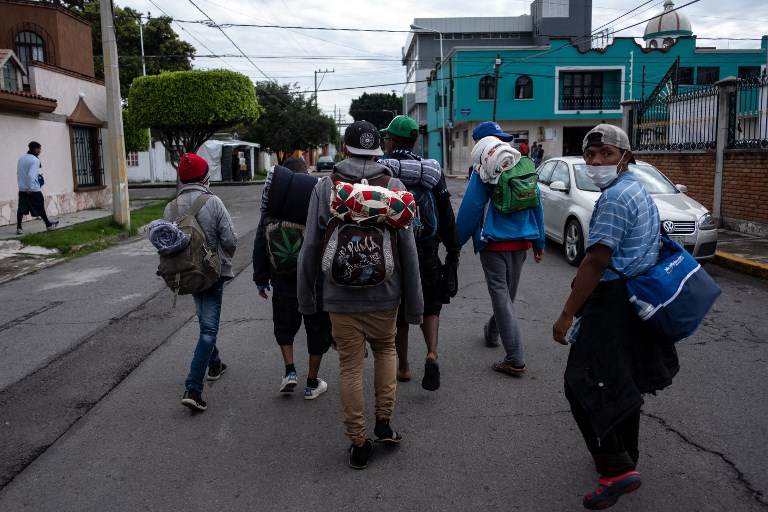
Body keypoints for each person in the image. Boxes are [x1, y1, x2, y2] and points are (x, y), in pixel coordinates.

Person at [552, 125, 679, 510]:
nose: (595, 162)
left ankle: (616, 470)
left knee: (582, 384)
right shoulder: (637, 189)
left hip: (612, 302)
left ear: (625, 156)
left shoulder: (614, 199)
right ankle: (628, 456)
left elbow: (594, 261)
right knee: (622, 383)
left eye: (605, 154)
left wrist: (566, 315)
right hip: (634, 298)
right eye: (590, 155)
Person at [297, 120, 423, 470]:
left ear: (345, 148)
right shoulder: (395, 186)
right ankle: (384, 422)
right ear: (379, 149)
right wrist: (415, 304)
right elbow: (408, 251)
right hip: (386, 295)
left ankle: (357, 442)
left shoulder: (326, 187)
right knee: (385, 350)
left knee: (350, 366)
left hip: (339, 297)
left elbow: (310, 247)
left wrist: (307, 299)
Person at [379, 115, 460, 390]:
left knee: (399, 311)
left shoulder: (383, 170)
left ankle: (403, 367)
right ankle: (432, 352)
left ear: (391, 140)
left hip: (396, 251)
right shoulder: (432, 172)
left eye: (386, 138)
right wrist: (453, 250)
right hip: (428, 249)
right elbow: (446, 214)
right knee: (431, 304)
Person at [456, 135, 545, 376]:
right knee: (507, 297)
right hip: (521, 241)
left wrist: (455, 245)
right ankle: (493, 332)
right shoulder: (522, 164)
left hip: (493, 242)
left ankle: (515, 358)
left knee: (502, 297)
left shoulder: (484, 169)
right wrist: (539, 241)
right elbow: (536, 204)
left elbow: (471, 209)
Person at [253, 157, 331, 399]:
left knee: (284, 326)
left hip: (283, 279)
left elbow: (261, 239)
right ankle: (311, 383)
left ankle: (289, 371)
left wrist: (260, 278)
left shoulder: (275, 198)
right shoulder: (318, 192)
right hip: (315, 279)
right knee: (317, 329)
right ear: (304, 172)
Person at [166, 153, 238, 412]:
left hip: (185, 274)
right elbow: (229, 238)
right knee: (208, 329)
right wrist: (223, 260)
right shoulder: (213, 202)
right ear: (206, 178)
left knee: (204, 317)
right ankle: (193, 388)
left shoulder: (170, 207)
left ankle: (215, 364)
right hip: (210, 273)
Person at [16, 141, 58, 235]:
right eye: (39, 149)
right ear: (35, 149)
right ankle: (48, 225)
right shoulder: (35, 160)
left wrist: (22, 186)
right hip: (33, 189)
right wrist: (30, 188)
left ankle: (19, 227)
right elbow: (31, 176)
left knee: (21, 208)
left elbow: (18, 174)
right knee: (40, 206)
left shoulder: (21, 158)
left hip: (22, 189)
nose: (40, 151)